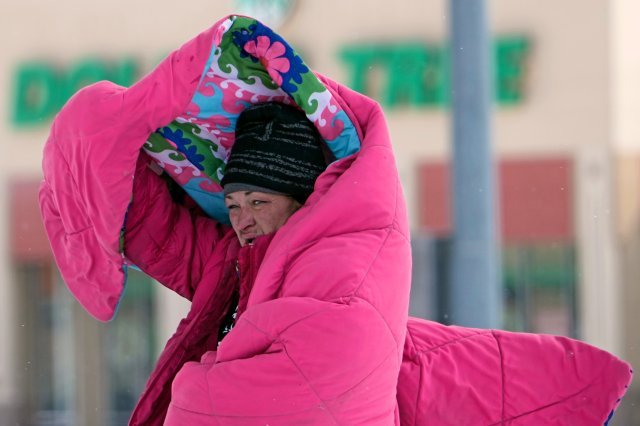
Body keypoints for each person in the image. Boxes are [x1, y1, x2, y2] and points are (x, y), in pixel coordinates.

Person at [39, 14, 632, 426]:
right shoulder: (248, 260)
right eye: (235, 201)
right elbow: (155, 231)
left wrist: (198, 382)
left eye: (258, 202)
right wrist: (110, 133)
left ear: (302, 197)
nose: (240, 218)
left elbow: (292, 395)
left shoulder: (344, 269)